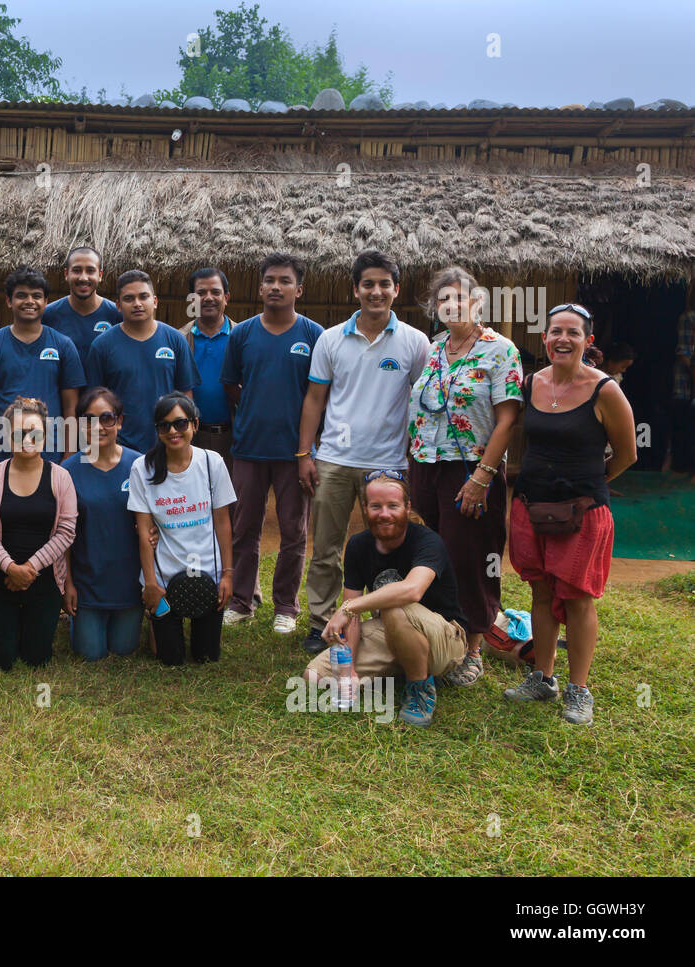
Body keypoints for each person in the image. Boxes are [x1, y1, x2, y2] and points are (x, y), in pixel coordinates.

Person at [505, 303, 636, 725]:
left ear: (587, 341)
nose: (563, 338)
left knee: (577, 598)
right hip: (531, 505)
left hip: (583, 512)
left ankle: (579, 689)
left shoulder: (605, 390)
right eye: (555, 331)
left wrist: (590, 484)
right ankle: (543, 677)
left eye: (573, 332)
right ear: (544, 339)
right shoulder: (530, 384)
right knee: (541, 592)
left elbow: (627, 454)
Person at [297, 250, 429, 654]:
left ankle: (390, 623)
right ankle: (320, 622)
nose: (376, 291)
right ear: (355, 289)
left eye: (384, 284)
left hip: (389, 464)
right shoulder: (331, 339)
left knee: (389, 545)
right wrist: (305, 453)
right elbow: (314, 400)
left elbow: (424, 400)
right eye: (368, 284)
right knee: (325, 548)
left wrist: (415, 459)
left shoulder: (415, 342)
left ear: (397, 290)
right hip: (335, 459)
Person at [407, 266, 523, 685]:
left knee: (471, 556)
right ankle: (437, 637)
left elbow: (507, 420)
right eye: (444, 299)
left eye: (463, 298)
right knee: (428, 551)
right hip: (425, 465)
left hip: (473, 468)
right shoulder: (434, 348)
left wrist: (482, 477)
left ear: (478, 304)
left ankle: (472, 648)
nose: (453, 305)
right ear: (435, 308)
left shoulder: (500, 350)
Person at [305, 472, 469, 728]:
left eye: (393, 506)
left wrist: (348, 608)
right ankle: (402, 666)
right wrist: (349, 667)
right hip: (391, 633)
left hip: (445, 639)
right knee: (314, 676)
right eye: (376, 506)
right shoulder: (359, 545)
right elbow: (354, 618)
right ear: (365, 508)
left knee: (394, 607)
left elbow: (412, 590)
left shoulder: (428, 541)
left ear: (407, 507)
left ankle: (419, 689)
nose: (384, 514)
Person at [220, 254, 324, 632]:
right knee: (244, 527)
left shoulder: (314, 335)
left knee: (293, 531)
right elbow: (231, 385)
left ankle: (285, 607)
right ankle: (242, 601)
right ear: (260, 287)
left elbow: (320, 394)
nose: (275, 287)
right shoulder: (242, 334)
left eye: (284, 281)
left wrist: (306, 450)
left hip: (295, 453)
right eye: (269, 280)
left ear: (299, 289)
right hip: (248, 449)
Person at [128, 393, 236, 666]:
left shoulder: (213, 462)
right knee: (168, 658)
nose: (173, 431)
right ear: (157, 430)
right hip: (164, 579)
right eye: (164, 426)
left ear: (195, 425)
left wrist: (227, 575)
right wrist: (150, 584)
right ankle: (158, 620)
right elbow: (143, 533)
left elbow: (223, 522)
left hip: (208, 576)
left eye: (180, 423)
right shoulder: (143, 468)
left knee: (207, 657)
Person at [0, 398, 78, 670]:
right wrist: (10, 568)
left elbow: (66, 533)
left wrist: (28, 569)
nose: (27, 438)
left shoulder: (61, 477)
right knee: (0, 660)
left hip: (43, 578)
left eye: (35, 432)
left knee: (36, 659)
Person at [0, 266, 86, 473]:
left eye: (36, 296)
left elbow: (71, 405)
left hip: (50, 450)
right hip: (1, 448)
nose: (29, 301)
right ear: (9, 301)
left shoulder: (63, 345)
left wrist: (68, 455)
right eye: (21, 296)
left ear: (46, 302)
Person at [62, 388, 143, 660]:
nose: (98, 426)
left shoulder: (139, 465)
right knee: (91, 654)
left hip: (130, 585)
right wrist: (68, 584)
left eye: (107, 418)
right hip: (87, 586)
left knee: (123, 650)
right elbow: (64, 537)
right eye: (89, 419)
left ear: (119, 421)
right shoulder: (69, 471)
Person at [87, 270, 199, 453]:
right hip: (119, 449)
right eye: (129, 298)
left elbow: (186, 394)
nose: (137, 303)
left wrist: (183, 437)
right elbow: (94, 403)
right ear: (118, 305)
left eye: (143, 297)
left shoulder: (175, 340)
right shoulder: (101, 346)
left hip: (168, 443)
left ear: (154, 301)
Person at [179, 267, 235, 468]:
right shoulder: (180, 339)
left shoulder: (242, 337)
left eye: (215, 292)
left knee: (238, 497)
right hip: (192, 438)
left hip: (234, 437)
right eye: (201, 293)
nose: (208, 298)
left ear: (226, 297)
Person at [41, 245, 121, 357]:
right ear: (66, 274)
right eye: (77, 270)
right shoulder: (48, 315)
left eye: (90, 271)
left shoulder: (117, 315)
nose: (83, 278)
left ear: (100, 275)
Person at [670, 309, 694, 476]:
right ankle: (680, 466)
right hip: (686, 384)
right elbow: (684, 352)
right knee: (684, 427)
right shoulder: (690, 317)